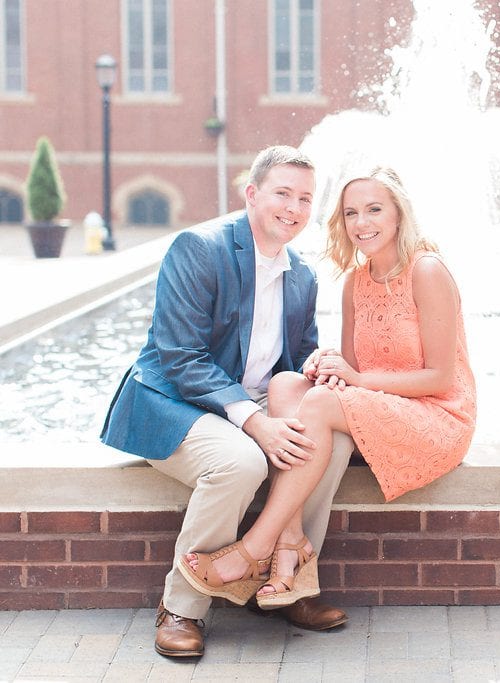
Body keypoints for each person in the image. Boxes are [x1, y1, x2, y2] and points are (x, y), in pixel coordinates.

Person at [100, 145, 353, 659]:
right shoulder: (200, 247)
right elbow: (180, 355)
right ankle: (182, 607)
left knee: (333, 441)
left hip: (252, 404)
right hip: (175, 402)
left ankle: (288, 583)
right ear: (253, 194)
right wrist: (256, 422)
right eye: (283, 193)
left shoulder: (301, 275)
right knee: (240, 463)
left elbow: (295, 361)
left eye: (306, 198)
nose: (295, 207)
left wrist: (320, 366)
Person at [267, 165, 476, 508]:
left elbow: (440, 379)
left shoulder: (426, 271)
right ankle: (290, 534)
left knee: (317, 403)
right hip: (381, 404)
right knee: (285, 385)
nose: (361, 223)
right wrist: (328, 364)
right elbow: (351, 372)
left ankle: (261, 542)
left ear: (399, 214)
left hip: (438, 415)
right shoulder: (355, 282)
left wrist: (358, 378)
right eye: (351, 213)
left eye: (374, 210)